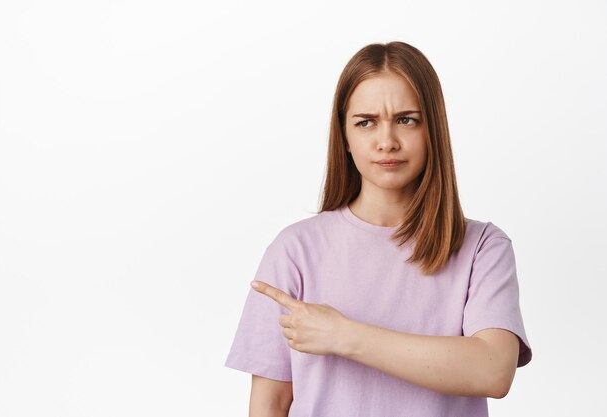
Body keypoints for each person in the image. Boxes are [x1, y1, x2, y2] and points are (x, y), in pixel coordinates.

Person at [224, 41, 533, 417]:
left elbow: (493, 371)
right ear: (345, 137)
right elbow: (269, 405)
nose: (386, 141)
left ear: (432, 129)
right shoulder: (295, 250)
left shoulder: (482, 247)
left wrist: (344, 336)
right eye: (366, 122)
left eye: (406, 119)